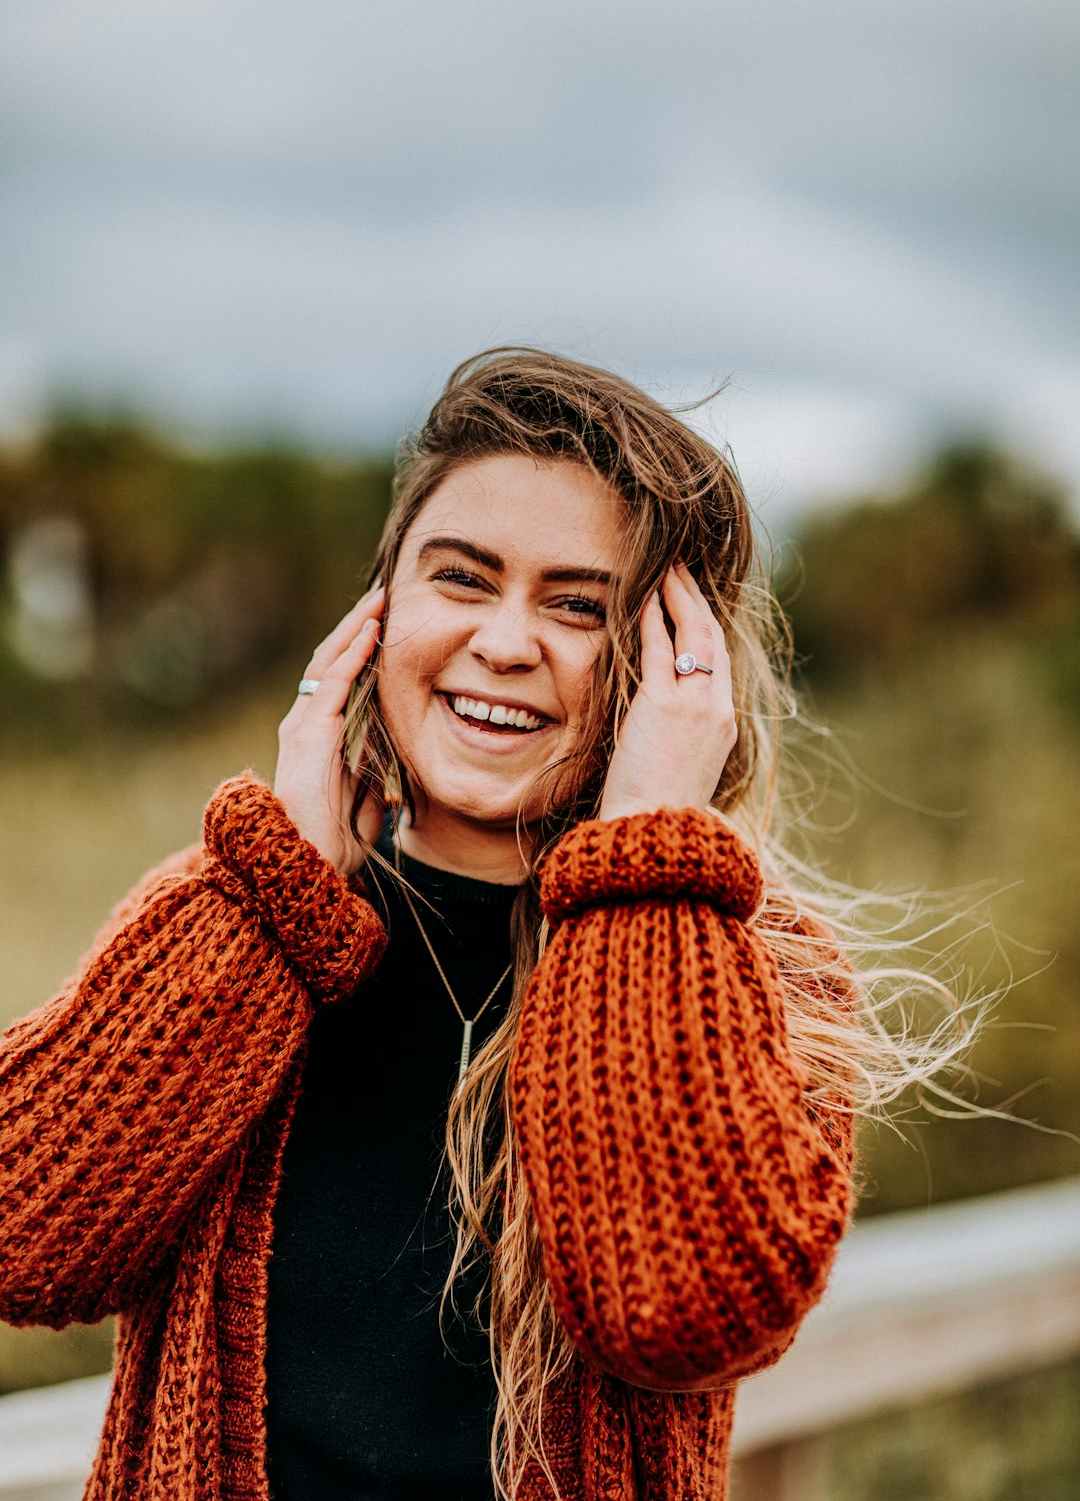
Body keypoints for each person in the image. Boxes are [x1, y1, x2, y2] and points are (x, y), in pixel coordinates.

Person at [1, 349, 919, 1500]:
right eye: (464, 578)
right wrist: (270, 897)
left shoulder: (759, 976)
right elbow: (22, 1236)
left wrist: (642, 862)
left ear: (673, 663)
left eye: (579, 605)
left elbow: (681, 1310)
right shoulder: (243, 923)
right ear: (379, 612)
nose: (506, 641)